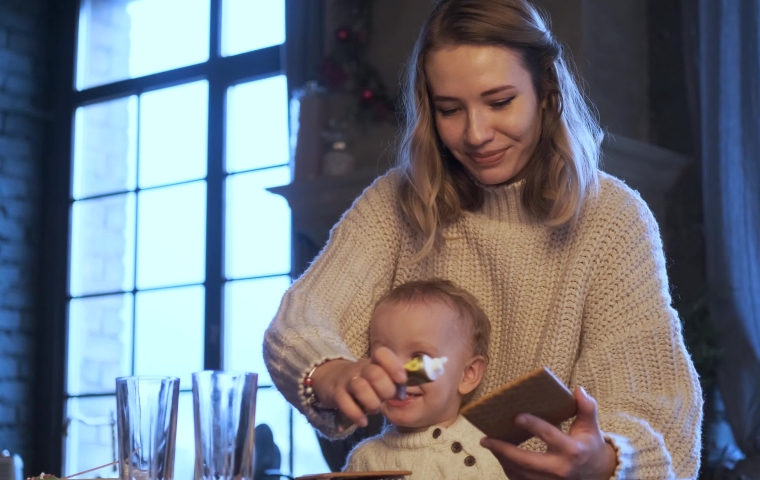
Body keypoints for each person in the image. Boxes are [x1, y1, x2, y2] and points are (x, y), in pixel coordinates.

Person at [264, 0, 703, 478]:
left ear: (545, 91)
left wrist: (605, 461)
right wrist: (329, 373)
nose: (476, 135)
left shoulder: (612, 218)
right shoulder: (394, 201)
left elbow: (658, 409)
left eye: (499, 102)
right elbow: (301, 322)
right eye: (450, 109)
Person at [342, 279, 505, 479]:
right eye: (384, 356)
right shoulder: (363, 460)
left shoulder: (480, 456)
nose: (398, 373)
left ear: (467, 374)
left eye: (419, 359)